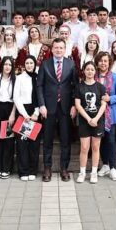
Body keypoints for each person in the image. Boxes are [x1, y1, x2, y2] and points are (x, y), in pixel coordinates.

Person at [36, 38, 78, 182]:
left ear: (64, 49)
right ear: (52, 49)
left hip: (66, 108)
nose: (58, 50)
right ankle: (47, 168)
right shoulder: (45, 64)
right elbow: (39, 86)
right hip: (48, 108)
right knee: (47, 140)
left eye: (61, 48)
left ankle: (64, 168)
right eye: (56, 48)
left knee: (65, 140)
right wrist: (41, 105)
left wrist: (74, 105)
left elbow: (75, 86)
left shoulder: (71, 64)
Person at [74, 61, 108, 184]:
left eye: (92, 69)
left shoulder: (100, 87)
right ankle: (82, 172)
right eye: (87, 69)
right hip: (84, 121)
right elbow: (78, 105)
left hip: (98, 121)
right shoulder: (79, 86)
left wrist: (96, 119)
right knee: (84, 147)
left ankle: (94, 172)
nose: (89, 71)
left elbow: (104, 105)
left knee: (95, 147)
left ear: (95, 71)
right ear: (84, 71)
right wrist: (88, 119)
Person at [94, 51, 116, 182]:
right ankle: (105, 165)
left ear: (109, 63)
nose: (103, 63)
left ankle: (113, 168)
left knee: (111, 141)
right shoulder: (92, 75)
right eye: (101, 61)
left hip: (111, 114)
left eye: (105, 61)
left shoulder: (115, 77)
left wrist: (109, 98)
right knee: (100, 140)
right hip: (96, 114)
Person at [13, 55, 40, 181]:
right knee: (22, 143)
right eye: (27, 63)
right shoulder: (19, 78)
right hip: (23, 111)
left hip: (35, 112)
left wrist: (36, 113)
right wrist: (24, 115)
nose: (29, 65)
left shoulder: (38, 77)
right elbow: (16, 97)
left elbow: (40, 96)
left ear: (34, 64)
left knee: (34, 144)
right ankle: (23, 171)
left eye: (31, 63)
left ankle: (32, 170)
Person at [0, 56, 17, 179]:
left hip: (10, 109)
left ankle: (6, 168)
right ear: (1, 66)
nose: (7, 67)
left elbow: (16, 99)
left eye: (10, 65)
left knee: (8, 139)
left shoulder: (15, 80)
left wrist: (12, 114)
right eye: (5, 64)